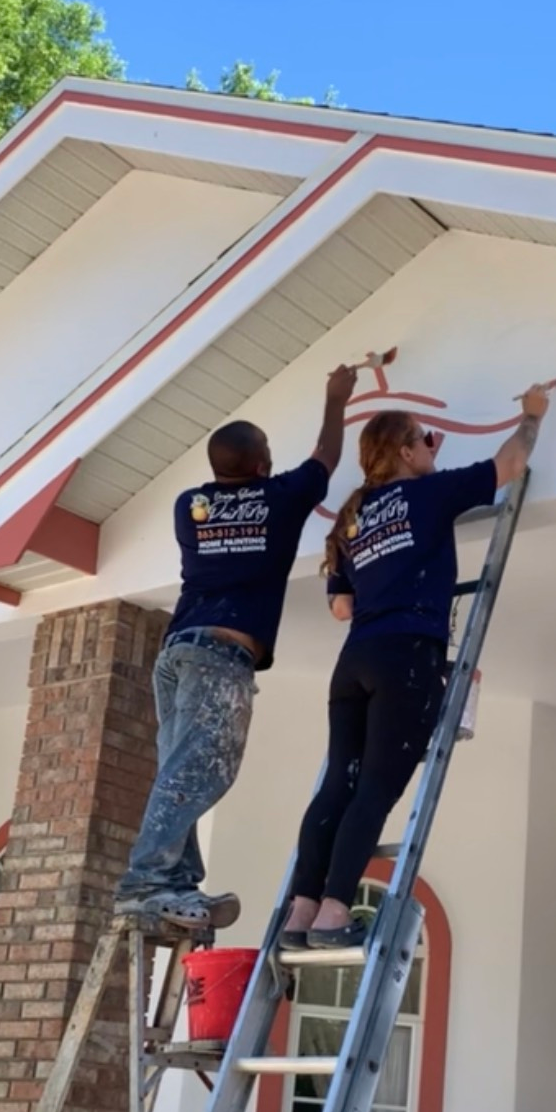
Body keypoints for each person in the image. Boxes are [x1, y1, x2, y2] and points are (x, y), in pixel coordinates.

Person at [281, 380, 556, 949]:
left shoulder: (352, 521)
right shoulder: (426, 497)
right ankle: (335, 914)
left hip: (353, 661)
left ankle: (301, 912)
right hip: (405, 657)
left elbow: (341, 608)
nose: (434, 449)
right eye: (427, 442)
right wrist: (532, 416)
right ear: (406, 453)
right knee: (376, 789)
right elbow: (509, 463)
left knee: (339, 784)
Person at [114, 364, 358, 929]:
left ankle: (174, 883)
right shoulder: (280, 498)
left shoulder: (188, 506)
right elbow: (325, 454)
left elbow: (257, 485)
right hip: (219, 660)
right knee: (202, 772)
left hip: (177, 651)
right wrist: (336, 396)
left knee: (179, 769)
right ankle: (146, 882)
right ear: (261, 464)